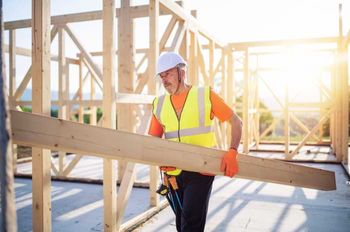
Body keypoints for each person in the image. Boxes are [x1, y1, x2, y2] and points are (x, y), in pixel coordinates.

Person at [148, 52, 242, 232]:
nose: (164, 80)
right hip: (173, 174)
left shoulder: (204, 95)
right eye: (161, 76)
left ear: (181, 72)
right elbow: (153, 140)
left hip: (201, 171)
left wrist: (232, 151)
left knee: (190, 223)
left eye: (168, 74)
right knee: (181, 222)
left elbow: (236, 122)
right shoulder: (159, 104)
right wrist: (159, 159)